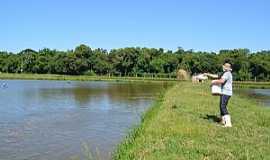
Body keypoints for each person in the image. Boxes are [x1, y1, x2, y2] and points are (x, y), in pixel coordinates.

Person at [204, 63, 233, 127]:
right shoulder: (224, 73)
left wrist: (213, 82)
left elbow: (222, 81)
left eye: (224, 66)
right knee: (222, 106)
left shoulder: (227, 73)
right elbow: (216, 76)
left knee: (223, 106)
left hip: (226, 92)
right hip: (225, 92)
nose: (223, 67)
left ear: (227, 67)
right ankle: (223, 121)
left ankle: (228, 124)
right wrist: (207, 74)